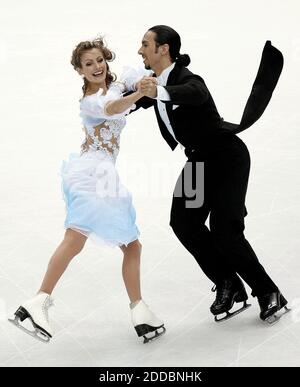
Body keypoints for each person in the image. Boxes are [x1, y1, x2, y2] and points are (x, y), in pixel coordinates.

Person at [126, 25, 289, 324]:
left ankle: (268, 292)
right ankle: (228, 282)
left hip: (227, 157)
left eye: (145, 44)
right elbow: (127, 102)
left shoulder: (186, 80)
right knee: (184, 223)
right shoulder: (154, 83)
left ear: (164, 49)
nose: (140, 50)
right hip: (198, 161)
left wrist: (157, 91)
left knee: (226, 231)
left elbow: (193, 93)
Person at [8, 37, 165, 344]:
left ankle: (138, 311)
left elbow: (140, 78)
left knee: (122, 244)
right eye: (88, 64)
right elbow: (113, 108)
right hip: (94, 174)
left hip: (97, 173)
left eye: (100, 61)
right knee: (86, 239)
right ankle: (39, 302)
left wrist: (149, 77)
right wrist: (137, 95)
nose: (96, 67)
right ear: (80, 71)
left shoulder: (116, 87)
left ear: (106, 60)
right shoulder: (92, 101)